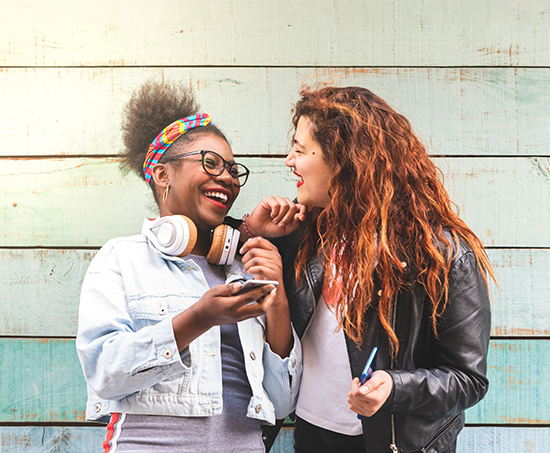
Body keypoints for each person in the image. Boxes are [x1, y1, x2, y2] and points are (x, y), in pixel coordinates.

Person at [242, 86, 494, 453]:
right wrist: (254, 229)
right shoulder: (302, 233)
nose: (288, 160)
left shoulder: (441, 253)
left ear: (343, 158)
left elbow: (468, 379)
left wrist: (395, 387)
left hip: (393, 444)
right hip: (311, 437)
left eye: (299, 149)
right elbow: (218, 245)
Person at [76, 81, 301, 453]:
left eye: (232, 169)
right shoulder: (122, 258)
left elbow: (281, 404)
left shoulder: (245, 267)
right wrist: (199, 317)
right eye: (210, 163)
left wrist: (275, 297)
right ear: (163, 175)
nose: (227, 177)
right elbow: (104, 373)